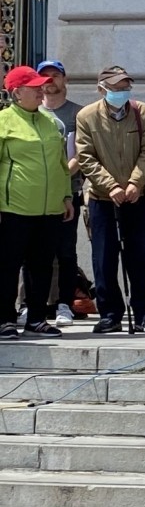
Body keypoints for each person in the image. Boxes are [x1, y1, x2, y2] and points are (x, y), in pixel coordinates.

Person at [76, 65, 145, 334]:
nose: (122, 92)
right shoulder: (86, 116)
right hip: (103, 199)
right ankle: (110, 313)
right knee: (103, 259)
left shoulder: (143, 112)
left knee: (140, 256)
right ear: (102, 89)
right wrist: (110, 185)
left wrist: (136, 182)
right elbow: (85, 157)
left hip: (137, 197)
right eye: (116, 88)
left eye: (126, 87)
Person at [0, 66, 74, 338]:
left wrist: (66, 196)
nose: (42, 89)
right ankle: (5, 319)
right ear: (17, 92)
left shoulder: (49, 122)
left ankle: (36, 319)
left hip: (50, 209)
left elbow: (61, 165)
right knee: (8, 266)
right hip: (13, 209)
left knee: (42, 266)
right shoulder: (3, 122)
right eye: (35, 87)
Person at [29, 60, 84, 327]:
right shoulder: (31, 112)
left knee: (65, 251)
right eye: (45, 76)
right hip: (34, 196)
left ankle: (64, 303)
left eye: (55, 75)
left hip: (68, 193)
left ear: (65, 79)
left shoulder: (78, 114)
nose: (50, 81)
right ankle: (30, 304)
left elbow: (82, 154)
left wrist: (61, 179)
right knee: (33, 252)